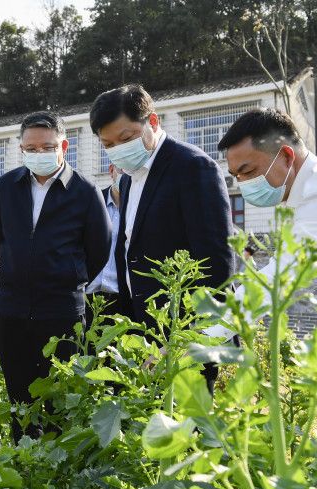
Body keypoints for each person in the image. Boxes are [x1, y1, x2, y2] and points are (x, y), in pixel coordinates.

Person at [89, 84, 235, 393]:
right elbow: (128, 248)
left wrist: (183, 339)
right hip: (145, 329)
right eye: (108, 144)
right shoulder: (129, 178)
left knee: (186, 430)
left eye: (126, 138)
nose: (117, 149)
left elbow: (216, 264)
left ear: (152, 123)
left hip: (185, 334)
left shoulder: (193, 168)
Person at [214, 107, 317, 393]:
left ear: (285, 155)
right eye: (236, 176)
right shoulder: (304, 192)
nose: (244, 184)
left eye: (248, 171)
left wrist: (195, 341)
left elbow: (278, 278)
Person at [0, 111, 112, 441]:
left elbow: (99, 248)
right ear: (21, 149)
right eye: (31, 148)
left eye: (47, 147)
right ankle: (25, 460)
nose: (38, 154)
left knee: (62, 396)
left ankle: (60, 469)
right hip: (13, 310)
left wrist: (69, 277)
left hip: (62, 313)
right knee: (20, 396)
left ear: (64, 146)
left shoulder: (85, 191)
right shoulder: (7, 187)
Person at [85, 163, 123, 328]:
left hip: (122, 301)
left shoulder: (142, 209)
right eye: (122, 169)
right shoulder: (92, 202)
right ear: (111, 170)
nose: (127, 175)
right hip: (87, 296)